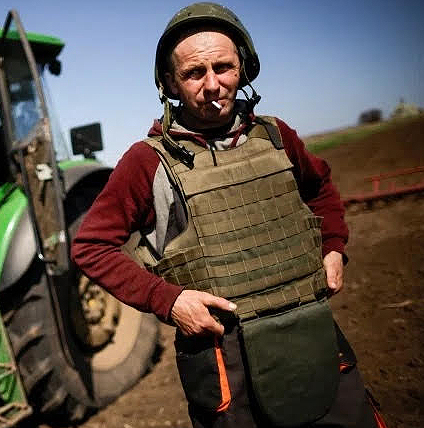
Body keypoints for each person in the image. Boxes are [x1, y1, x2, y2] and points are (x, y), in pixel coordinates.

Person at [71, 3, 385, 427]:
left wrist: (333, 247)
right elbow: (91, 246)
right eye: (194, 73)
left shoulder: (276, 136)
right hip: (224, 356)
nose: (212, 85)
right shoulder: (146, 163)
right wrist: (170, 300)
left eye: (224, 67)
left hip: (309, 332)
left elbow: (322, 190)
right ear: (170, 83)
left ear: (244, 69)